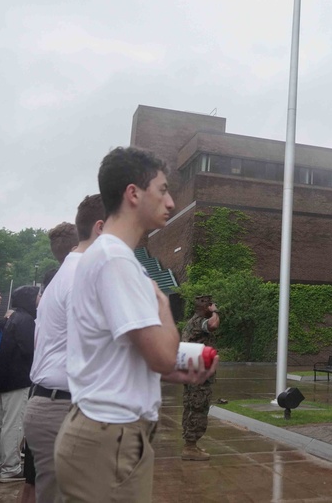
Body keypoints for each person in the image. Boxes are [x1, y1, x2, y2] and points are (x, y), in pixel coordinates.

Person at [55, 147, 216, 503]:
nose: (171, 202)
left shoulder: (108, 256)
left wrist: (177, 371)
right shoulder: (115, 260)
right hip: (109, 438)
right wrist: (162, 308)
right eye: (162, 190)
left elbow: (122, 356)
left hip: (104, 433)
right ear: (133, 193)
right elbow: (161, 355)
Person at [23, 194, 104, 503]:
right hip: (63, 408)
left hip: (59, 405)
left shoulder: (68, 272)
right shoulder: (82, 276)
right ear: (100, 229)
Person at [0, 285, 39, 483]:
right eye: (37, 296)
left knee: (0, 423)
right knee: (14, 424)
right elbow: (29, 350)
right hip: (17, 378)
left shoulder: (15, 317)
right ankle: (10, 467)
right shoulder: (26, 320)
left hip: (5, 377)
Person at [179, 294, 220, 461]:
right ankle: (190, 447)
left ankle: (191, 445)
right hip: (198, 375)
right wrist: (216, 312)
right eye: (209, 304)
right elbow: (213, 325)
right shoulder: (198, 321)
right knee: (197, 407)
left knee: (191, 407)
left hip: (193, 371)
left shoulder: (192, 322)